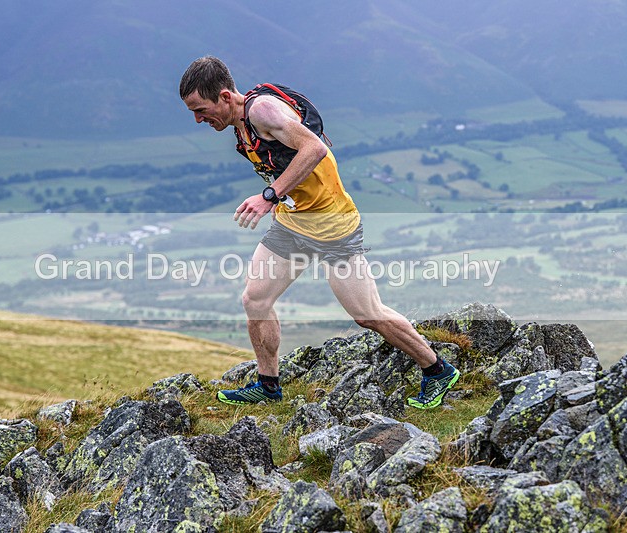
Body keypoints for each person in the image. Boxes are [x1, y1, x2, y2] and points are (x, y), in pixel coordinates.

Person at [179, 56, 459, 409]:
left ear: (224, 96)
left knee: (367, 313)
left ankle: (437, 370)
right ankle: (268, 385)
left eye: (201, 110)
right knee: (255, 299)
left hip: (331, 225)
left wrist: (269, 195)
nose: (198, 120)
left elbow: (314, 148)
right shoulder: (241, 123)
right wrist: (281, 198)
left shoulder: (262, 111)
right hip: (293, 222)